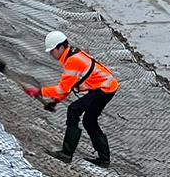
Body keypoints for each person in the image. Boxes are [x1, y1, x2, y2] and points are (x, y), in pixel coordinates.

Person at [28, 30, 119, 167]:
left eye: (52, 51)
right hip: (106, 87)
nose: (51, 54)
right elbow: (68, 87)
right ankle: (103, 159)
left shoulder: (72, 61)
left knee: (73, 110)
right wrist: (55, 101)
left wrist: (39, 92)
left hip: (103, 89)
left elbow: (62, 89)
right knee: (89, 121)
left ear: (61, 47)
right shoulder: (72, 55)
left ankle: (67, 153)